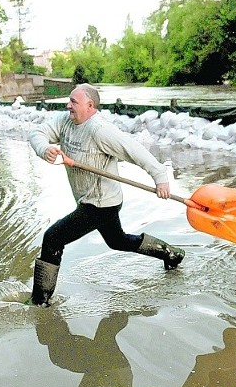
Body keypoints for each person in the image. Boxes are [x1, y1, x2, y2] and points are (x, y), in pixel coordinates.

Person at [27, 83, 185, 306]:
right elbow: (37, 133)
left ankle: (40, 300)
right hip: (90, 199)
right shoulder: (65, 121)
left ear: (90, 105)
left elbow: (134, 150)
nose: (68, 105)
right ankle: (170, 253)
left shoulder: (100, 130)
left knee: (53, 238)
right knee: (117, 241)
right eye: (69, 101)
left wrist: (159, 176)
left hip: (101, 204)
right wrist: (44, 148)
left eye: (74, 101)